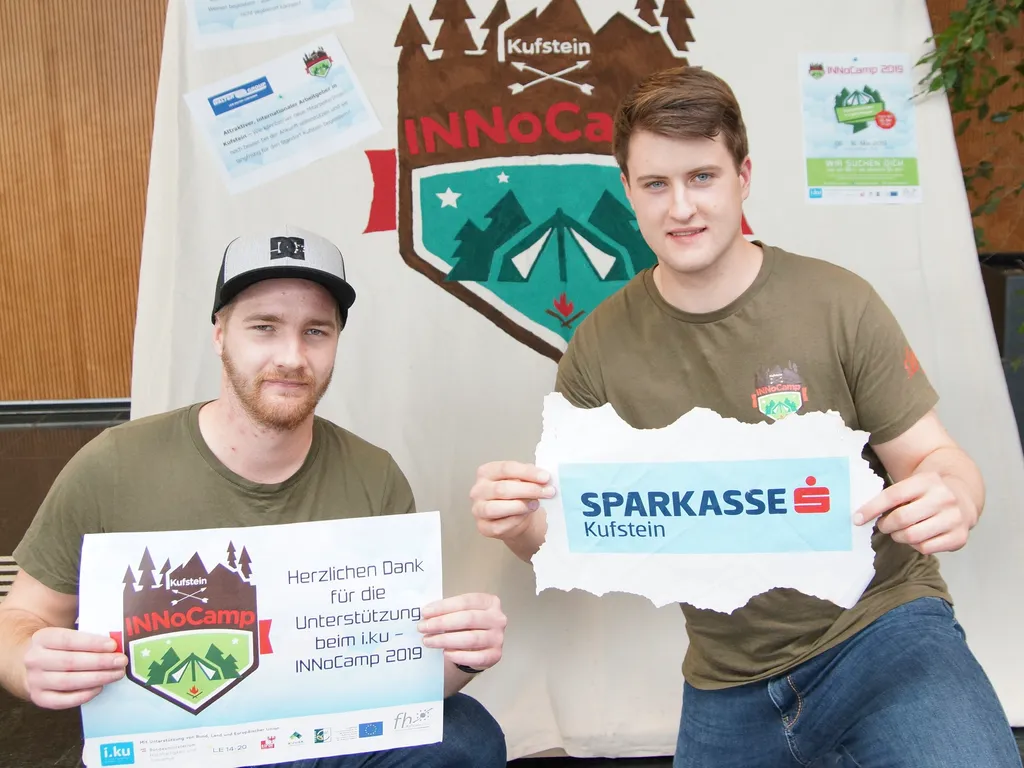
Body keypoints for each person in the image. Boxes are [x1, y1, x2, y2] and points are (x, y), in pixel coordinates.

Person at [469, 67, 1022, 767]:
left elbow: (937, 459)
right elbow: (570, 533)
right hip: (728, 674)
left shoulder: (838, 303)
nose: (681, 209)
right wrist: (521, 524)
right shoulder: (600, 346)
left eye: (702, 176)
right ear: (628, 193)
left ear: (743, 176)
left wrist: (955, 494)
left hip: (882, 630)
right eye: (655, 185)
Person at [0, 226, 508, 768]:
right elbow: (22, 616)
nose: (291, 357)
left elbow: (400, 678)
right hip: (172, 743)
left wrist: (463, 655)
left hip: (316, 738)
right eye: (264, 327)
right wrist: (29, 658)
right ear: (220, 334)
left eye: (316, 332)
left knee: (468, 737)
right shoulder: (114, 465)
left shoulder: (373, 474)